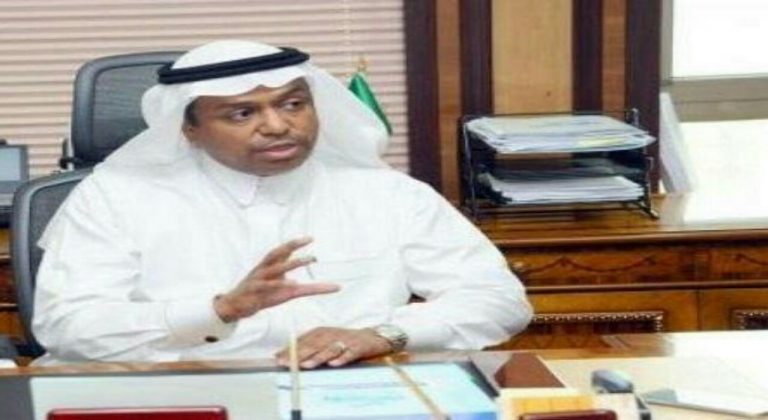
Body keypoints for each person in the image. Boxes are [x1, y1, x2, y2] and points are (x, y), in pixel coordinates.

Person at [32, 40, 532, 367]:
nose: (277, 125)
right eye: (242, 113)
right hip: (184, 391)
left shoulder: (385, 192)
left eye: (293, 103)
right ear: (188, 129)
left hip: (349, 391)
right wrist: (217, 311)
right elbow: (68, 327)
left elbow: (498, 300)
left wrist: (384, 334)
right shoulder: (117, 198)